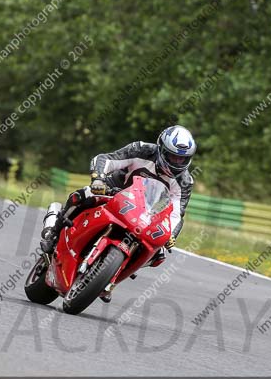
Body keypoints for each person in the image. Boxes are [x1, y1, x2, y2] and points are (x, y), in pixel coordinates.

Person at [40, 126, 196, 300]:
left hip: (146, 215)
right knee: (83, 195)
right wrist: (98, 178)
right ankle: (53, 233)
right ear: (161, 149)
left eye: (182, 159)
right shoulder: (141, 150)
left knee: (158, 254)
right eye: (173, 156)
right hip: (115, 191)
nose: (177, 162)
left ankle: (111, 280)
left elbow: (176, 213)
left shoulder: (185, 181)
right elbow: (107, 159)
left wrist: (171, 234)